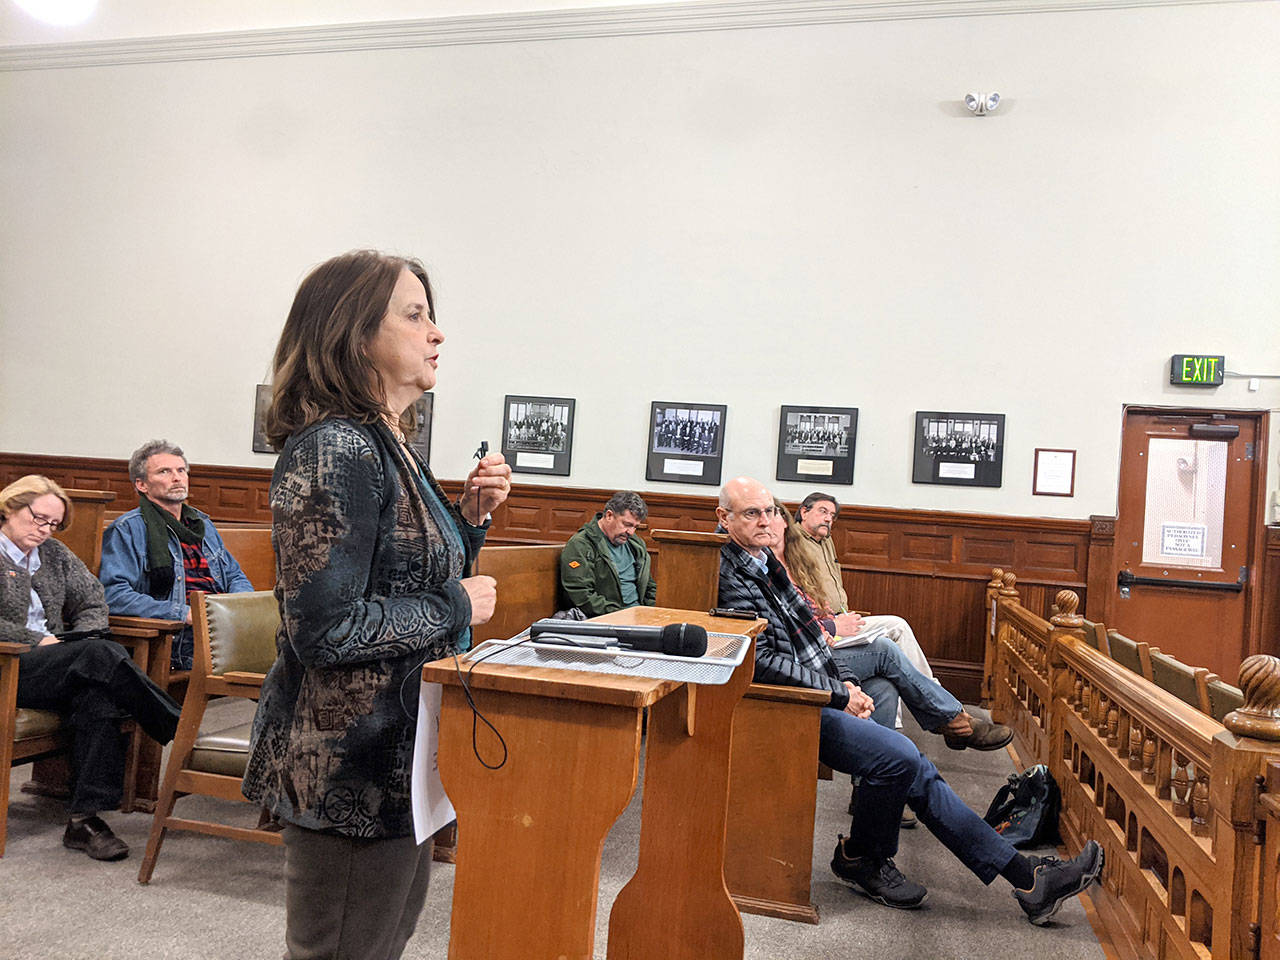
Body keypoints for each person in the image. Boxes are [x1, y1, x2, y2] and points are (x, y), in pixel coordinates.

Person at [241, 250, 512, 960]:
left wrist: (470, 519)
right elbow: (325, 632)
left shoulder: (387, 441)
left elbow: (400, 576)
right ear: (356, 332)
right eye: (415, 314)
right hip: (348, 766)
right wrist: (455, 604)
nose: (437, 333)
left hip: (399, 754)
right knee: (345, 950)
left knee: (383, 940)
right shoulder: (335, 448)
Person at [716, 477, 1102, 921]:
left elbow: (814, 641)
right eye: (751, 513)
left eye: (770, 511)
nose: (766, 521)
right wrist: (840, 694)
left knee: (899, 734)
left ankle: (1022, 878)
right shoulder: (727, 569)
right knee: (900, 756)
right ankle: (870, 858)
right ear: (723, 518)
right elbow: (757, 660)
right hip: (784, 707)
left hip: (814, 692)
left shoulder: (767, 561)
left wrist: (848, 684)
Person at [0, 475, 181, 861]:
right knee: (99, 655)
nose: (45, 530)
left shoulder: (55, 554)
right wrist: (36, 641)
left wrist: (78, 637)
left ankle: (85, 820)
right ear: (11, 507)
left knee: (98, 692)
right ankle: (175, 727)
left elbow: (94, 602)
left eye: (53, 524)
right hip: (8, 665)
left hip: (54, 663)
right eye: (38, 519)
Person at [765, 499, 1010, 751]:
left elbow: (807, 612)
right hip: (809, 655)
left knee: (884, 686)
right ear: (800, 515)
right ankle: (951, 718)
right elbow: (785, 627)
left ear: (785, 524)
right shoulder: (766, 568)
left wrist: (822, 616)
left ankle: (876, 776)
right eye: (822, 512)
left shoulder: (798, 558)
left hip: (827, 636)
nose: (765, 522)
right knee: (886, 647)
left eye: (771, 514)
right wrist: (830, 627)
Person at [99, 440, 254, 670]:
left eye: (181, 470)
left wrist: (239, 607)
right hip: (179, 638)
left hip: (222, 628)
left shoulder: (202, 524)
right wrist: (183, 613)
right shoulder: (127, 529)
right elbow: (114, 595)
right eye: (164, 471)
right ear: (141, 484)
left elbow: (234, 576)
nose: (177, 478)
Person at [789, 492, 936, 686]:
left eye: (832, 516)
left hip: (843, 618)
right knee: (896, 627)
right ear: (804, 512)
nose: (828, 519)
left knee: (895, 638)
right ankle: (932, 690)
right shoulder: (791, 542)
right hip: (824, 627)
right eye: (823, 511)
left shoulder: (826, 541)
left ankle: (927, 694)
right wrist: (832, 622)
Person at [559, 491, 657, 617]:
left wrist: (652, 614)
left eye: (635, 527)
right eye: (627, 525)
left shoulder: (635, 544)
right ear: (609, 515)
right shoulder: (581, 545)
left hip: (639, 617)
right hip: (609, 619)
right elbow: (582, 596)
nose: (631, 532)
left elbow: (649, 587)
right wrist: (622, 615)